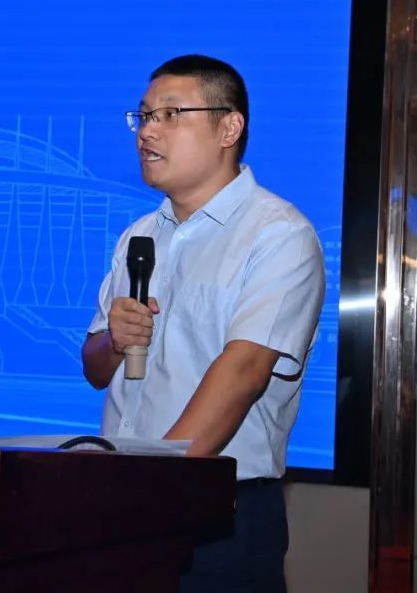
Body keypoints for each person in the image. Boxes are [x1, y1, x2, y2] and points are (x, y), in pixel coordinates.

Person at [81, 54, 325, 592]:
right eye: (144, 116)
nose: (147, 131)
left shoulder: (278, 235)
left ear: (229, 128)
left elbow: (243, 372)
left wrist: (157, 487)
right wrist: (114, 341)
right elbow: (95, 368)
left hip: (218, 517)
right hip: (121, 503)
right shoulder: (139, 236)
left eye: (170, 114)